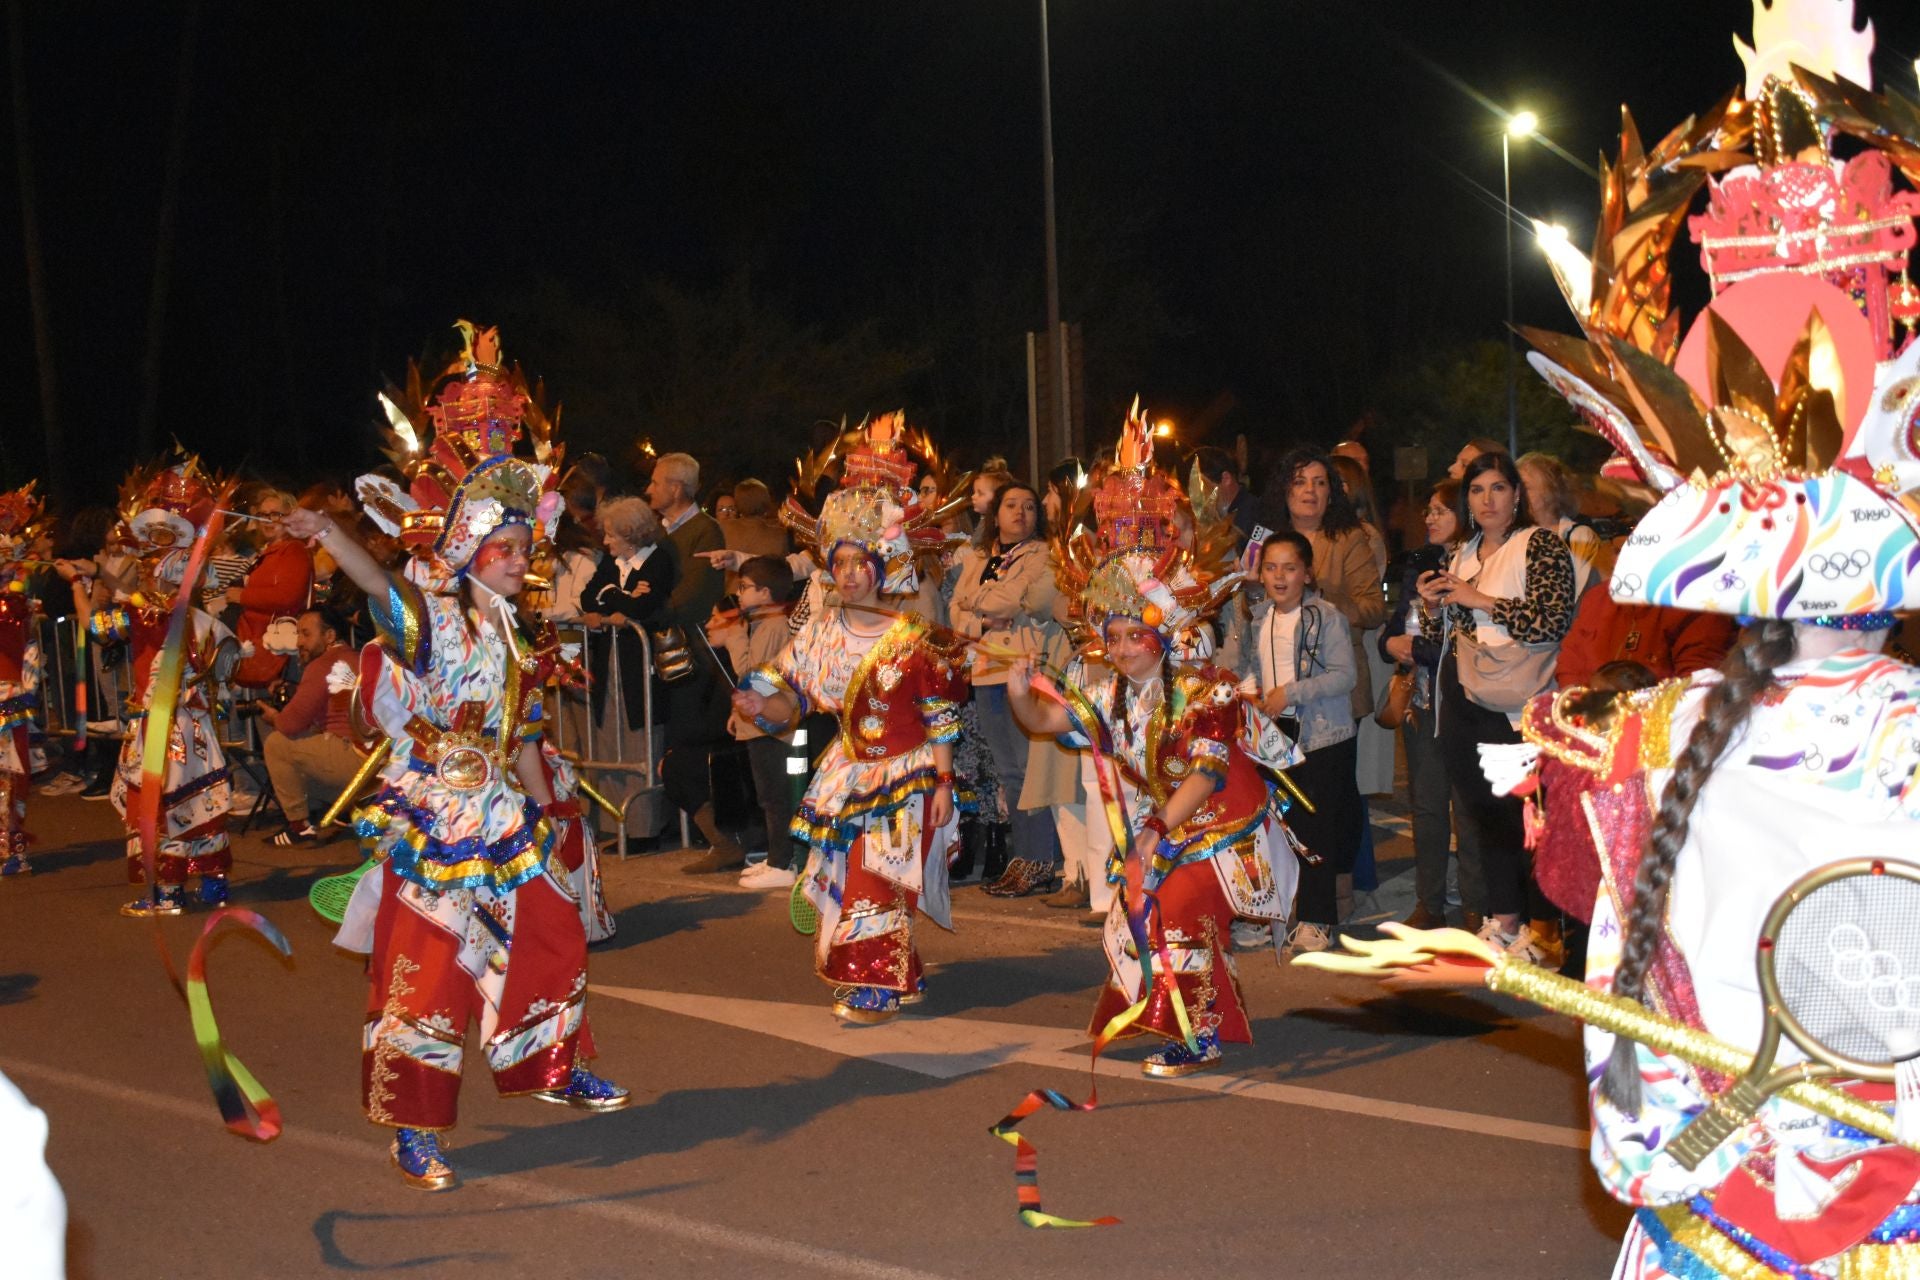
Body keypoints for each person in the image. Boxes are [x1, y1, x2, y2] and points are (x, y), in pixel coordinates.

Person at [299, 322, 626, 1191]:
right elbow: (381, 587)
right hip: (437, 816)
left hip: (504, 812)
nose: (521, 562)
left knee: (553, 923)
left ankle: (552, 1063)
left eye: (524, 548)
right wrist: (330, 534)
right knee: (429, 968)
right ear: (468, 552)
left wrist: (553, 813)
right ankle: (413, 1127)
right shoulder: (436, 619)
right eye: (505, 550)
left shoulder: (518, 636)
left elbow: (523, 735)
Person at [1006, 407, 1299, 1077]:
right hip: (1169, 825)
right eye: (1110, 637)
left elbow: (1207, 774)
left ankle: (1198, 1035)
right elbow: (1047, 723)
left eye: (1133, 635)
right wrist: (1022, 691)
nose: (1119, 648)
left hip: (1222, 823)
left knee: (1176, 905)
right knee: (1147, 909)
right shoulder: (1111, 693)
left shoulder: (1203, 689)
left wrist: (1157, 827)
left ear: (1162, 635)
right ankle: (1199, 1019)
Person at [731, 412, 967, 1024]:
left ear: (884, 567)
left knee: (877, 875)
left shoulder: (915, 636)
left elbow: (941, 716)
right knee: (852, 870)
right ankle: (898, 971)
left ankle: (874, 983)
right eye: (839, 563)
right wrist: (759, 705)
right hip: (846, 769)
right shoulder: (819, 632)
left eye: (862, 562)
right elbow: (791, 701)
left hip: (909, 772)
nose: (850, 574)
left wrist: (944, 783)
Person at [1416, 450, 1575, 965]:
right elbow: (1445, 634)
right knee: (1485, 816)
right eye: (1477, 490)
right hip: (1466, 696)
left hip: (1520, 704)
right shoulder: (1462, 551)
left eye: (1498, 488)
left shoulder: (1540, 544)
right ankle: (1505, 922)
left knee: (1527, 819)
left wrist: (1480, 599)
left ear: (1517, 495)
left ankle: (1544, 932)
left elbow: (1552, 622)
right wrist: (1434, 606)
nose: (1487, 500)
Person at [88, 456, 239, 916]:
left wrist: (88, 584)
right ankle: (212, 882)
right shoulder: (192, 614)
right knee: (200, 797)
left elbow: (98, 628)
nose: (149, 566)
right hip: (192, 723)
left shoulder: (150, 611)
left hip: (162, 724)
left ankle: (168, 891)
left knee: (158, 801)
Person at [1239, 531, 1358, 956]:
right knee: (1273, 827)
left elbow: (1345, 676)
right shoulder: (1259, 617)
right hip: (1275, 737)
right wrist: (1249, 694)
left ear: (1307, 574)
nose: (1279, 576)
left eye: (1290, 568)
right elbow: (1252, 667)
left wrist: (1290, 693)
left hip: (1322, 737)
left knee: (1316, 831)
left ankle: (1315, 919)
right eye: (1271, 567)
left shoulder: (1326, 617)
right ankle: (1268, 914)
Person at [951, 480, 1061, 898]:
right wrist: (982, 619)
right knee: (1009, 773)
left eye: (1030, 506)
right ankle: (1025, 860)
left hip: (1023, 670)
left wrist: (979, 603)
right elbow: (955, 613)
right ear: (995, 515)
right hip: (985, 672)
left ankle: (1040, 862)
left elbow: (1014, 601)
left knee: (1031, 770)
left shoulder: (1043, 554)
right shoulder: (978, 558)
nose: (1021, 513)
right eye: (1011, 505)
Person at [1378, 478, 1474, 929]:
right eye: (1429, 510)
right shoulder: (1420, 564)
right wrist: (1390, 643)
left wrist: (1414, 648)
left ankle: (1477, 908)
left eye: (1440, 510)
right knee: (1428, 808)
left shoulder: (1482, 564)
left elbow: (1464, 643)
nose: (1429, 517)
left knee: (1469, 811)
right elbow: (1394, 627)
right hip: (1421, 703)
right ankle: (1429, 904)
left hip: (1467, 703)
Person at [708, 555, 804, 888]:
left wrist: (734, 636)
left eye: (745, 587)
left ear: (765, 592)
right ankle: (776, 857)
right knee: (767, 796)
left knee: (775, 797)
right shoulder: (763, 624)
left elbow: (752, 673)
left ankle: (783, 862)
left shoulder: (773, 626)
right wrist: (737, 713)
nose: (739, 594)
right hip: (758, 721)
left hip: (770, 725)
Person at [647, 452, 729, 752]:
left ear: (676, 488)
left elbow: (695, 593)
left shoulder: (705, 531)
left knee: (688, 733)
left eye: (656, 483)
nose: (649, 490)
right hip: (665, 647)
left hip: (692, 653)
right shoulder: (657, 531)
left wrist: (647, 612)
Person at [257, 606, 358, 846]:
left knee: (277, 744)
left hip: (352, 759)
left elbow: (289, 724)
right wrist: (295, 690)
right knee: (306, 744)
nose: (299, 642)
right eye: (298, 634)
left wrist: (273, 716)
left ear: (329, 636)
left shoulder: (323, 663)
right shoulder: (356, 656)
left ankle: (299, 827)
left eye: (306, 634)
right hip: (377, 759)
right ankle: (348, 809)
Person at [578, 495, 676, 736]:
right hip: (610, 660)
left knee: (642, 725)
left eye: (611, 535)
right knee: (609, 726)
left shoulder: (658, 561)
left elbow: (640, 608)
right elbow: (587, 598)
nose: (605, 541)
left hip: (641, 663)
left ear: (630, 536)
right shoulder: (611, 562)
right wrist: (624, 596)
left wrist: (608, 593)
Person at [223, 487, 313, 691]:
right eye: (263, 515)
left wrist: (242, 596)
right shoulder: (269, 552)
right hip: (257, 640)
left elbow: (288, 596)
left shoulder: (293, 550)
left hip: (276, 645)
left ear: (290, 517)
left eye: (276, 514)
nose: (268, 520)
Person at [0, 484, 44, 876]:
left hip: (6, 694)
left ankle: (12, 848)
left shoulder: (15, 604)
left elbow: (21, 636)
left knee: (11, 774)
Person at [1517, 451, 1611, 597]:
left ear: (1551, 492)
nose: (1517, 494)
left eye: (1526, 487)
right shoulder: (1511, 536)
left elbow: (1586, 595)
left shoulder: (1579, 537)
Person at [1190, 446, 1261, 542]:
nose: (1194, 497)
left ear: (1226, 479)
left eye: (1200, 487)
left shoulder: (1256, 516)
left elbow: (1255, 551)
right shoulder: (1214, 518)